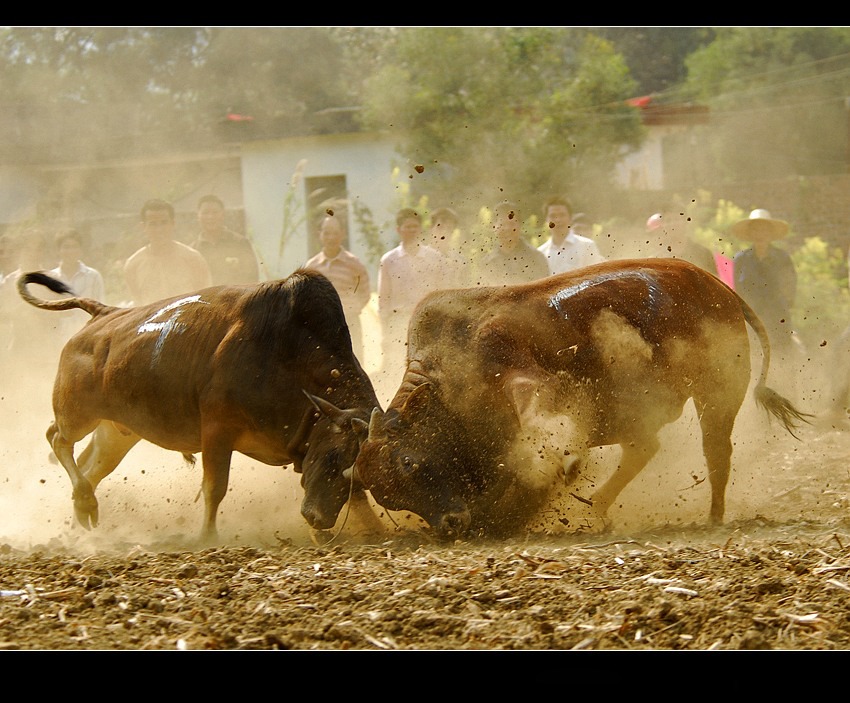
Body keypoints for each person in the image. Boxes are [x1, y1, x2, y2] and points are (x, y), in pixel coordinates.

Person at [377, 207, 446, 386]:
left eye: (415, 226)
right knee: (398, 367)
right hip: (399, 322)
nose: (412, 230)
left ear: (421, 229)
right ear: (398, 230)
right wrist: (385, 330)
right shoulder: (389, 260)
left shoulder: (434, 257)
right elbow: (383, 299)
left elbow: (442, 292)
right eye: (407, 227)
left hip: (429, 322)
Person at [731, 208, 798, 364]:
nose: (760, 233)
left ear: (770, 233)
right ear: (750, 233)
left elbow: (790, 292)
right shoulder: (741, 260)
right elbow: (736, 293)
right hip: (750, 323)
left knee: (781, 364)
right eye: (756, 229)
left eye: (764, 229)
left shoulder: (782, 258)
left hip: (778, 321)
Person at [303, 214, 371, 362]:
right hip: (321, 327)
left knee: (354, 363)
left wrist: (351, 310)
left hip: (349, 323)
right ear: (319, 235)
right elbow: (306, 298)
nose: (331, 237)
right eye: (326, 233)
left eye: (335, 232)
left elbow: (365, 292)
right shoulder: (312, 267)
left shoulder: (354, 264)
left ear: (343, 234)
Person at [124, 199, 212, 306]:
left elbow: (206, 299)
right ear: (144, 227)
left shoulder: (193, 258)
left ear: (172, 223)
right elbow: (137, 302)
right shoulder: (133, 264)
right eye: (153, 224)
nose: (159, 229)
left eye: (164, 222)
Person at [48, 228, 106, 344]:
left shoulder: (93, 276)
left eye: (74, 246)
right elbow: (47, 313)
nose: (70, 251)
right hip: (57, 339)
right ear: (58, 250)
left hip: (88, 337)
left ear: (80, 250)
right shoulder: (50, 278)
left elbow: (102, 310)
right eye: (66, 247)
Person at [191, 194, 260, 285]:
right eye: (205, 212)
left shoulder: (240, 243)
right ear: (198, 216)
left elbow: (253, 277)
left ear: (223, 214)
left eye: (215, 212)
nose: (210, 217)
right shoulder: (193, 250)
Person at [478, 201, 549, 287]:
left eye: (511, 223)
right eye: (502, 224)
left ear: (520, 225)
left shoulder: (536, 258)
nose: (507, 228)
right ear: (494, 227)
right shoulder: (487, 263)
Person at [538, 195, 606, 275]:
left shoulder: (587, 246)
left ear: (570, 219)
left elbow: (596, 277)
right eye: (553, 216)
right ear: (546, 221)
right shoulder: (541, 253)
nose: (558, 220)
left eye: (562, 215)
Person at [645, 210, 717, 274]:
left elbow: (714, 284)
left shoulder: (703, 254)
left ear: (686, 222)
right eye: (668, 220)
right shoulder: (656, 259)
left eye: (676, 219)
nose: (672, 224)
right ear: (663, 225)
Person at [428, 206, 471, 288]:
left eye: (448, 228)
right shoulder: (421, 258)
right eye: (440, 227)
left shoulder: (460, 262)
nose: (444, 232)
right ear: (430, 228)